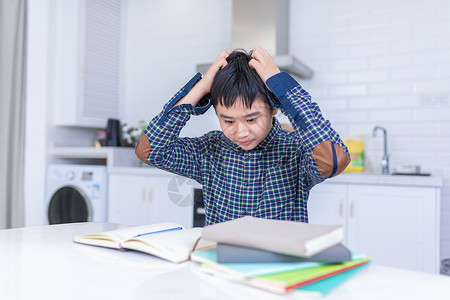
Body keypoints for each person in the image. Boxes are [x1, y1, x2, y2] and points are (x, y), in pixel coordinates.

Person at [136, 46, 350, 225]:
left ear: (274, 108)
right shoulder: (208, 150)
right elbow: (150, 151)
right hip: (220, 270)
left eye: (252, 119)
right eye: (228, 121)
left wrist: (282, 88)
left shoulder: (296, 149)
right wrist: (200, 88)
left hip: (280, 272)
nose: (241, 132)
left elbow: (333, 160)